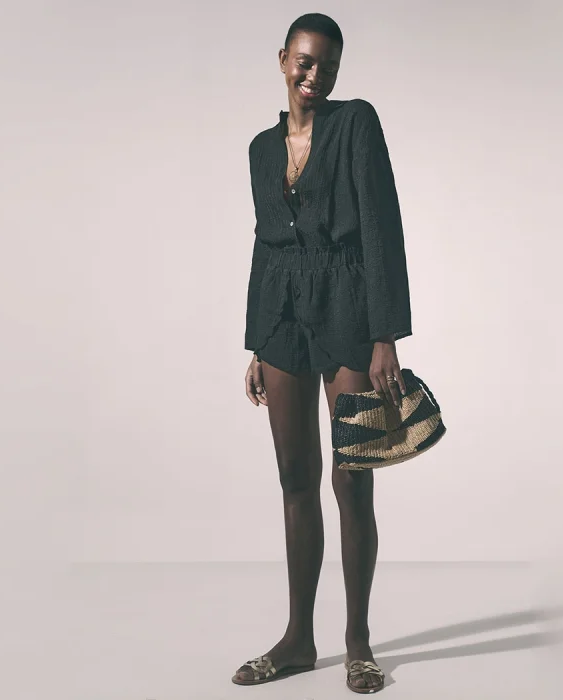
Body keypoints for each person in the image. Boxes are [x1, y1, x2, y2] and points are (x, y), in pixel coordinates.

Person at [233, 12, 413, 695]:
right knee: (294, 478)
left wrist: (384, 334)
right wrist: (257, 342)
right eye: (306, 62)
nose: (315, 76)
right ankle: (298, 640)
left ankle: (358, 642)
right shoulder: (260, 148)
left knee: (352, 477)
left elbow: (381, 226)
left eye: (328, 67)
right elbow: (264, 242)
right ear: (283, 58)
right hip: (281, 316)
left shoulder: (356, 123)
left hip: (346, 306)